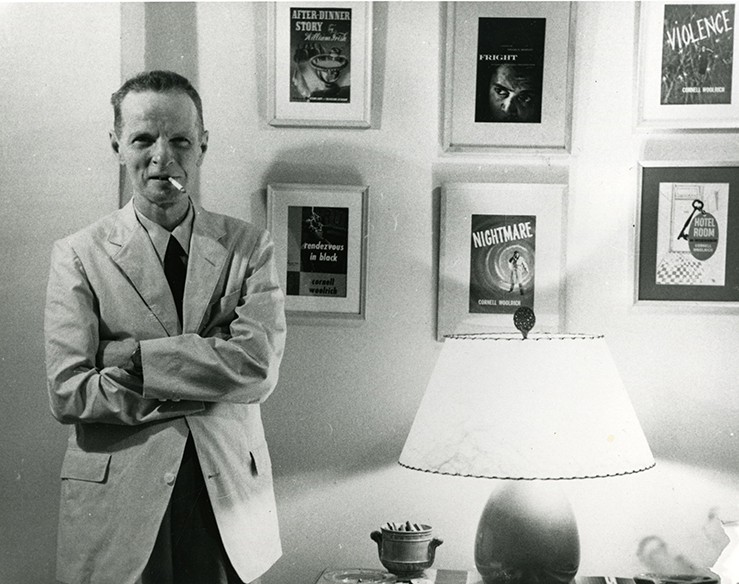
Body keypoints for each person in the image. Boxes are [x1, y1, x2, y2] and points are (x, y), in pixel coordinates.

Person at [44, 70, 286, 584]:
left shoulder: (249, 247)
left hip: (224, 503)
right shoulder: (78, 255)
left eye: (179, 140)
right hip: (118, 508)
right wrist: (207, 371)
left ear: (202, 145)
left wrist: (131, 358)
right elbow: (68, 392)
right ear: (117, 145)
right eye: (143, 139)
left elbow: (258, 369)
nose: (161, 157)